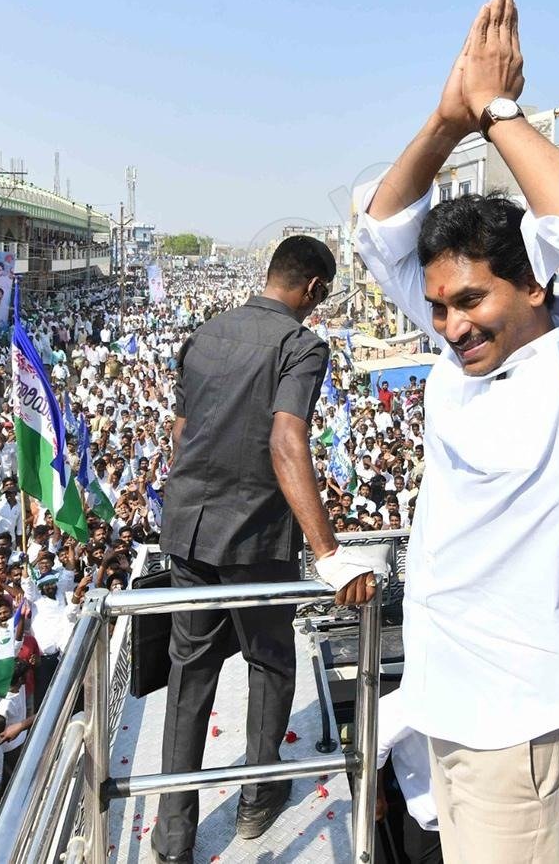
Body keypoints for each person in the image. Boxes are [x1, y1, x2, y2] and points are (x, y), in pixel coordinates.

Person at [354, 0, 559, 863]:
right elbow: (382, 231)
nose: (450, 325)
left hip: (519, 723)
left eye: (471, 300)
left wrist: (498, 115)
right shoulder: (464, 355)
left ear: (533, 285)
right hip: (448, 706)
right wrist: (445, 121)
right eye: (441, 304)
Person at [151, 235, 378, 864]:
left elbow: (182, 429)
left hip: (191, 530)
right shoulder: (300, 344)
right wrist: (327, 550)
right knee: (271, 662)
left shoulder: (206, 333)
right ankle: (257, 799)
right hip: (257, 535)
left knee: (189, 674)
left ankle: (172, 835)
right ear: (315, 289)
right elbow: (287, 440)